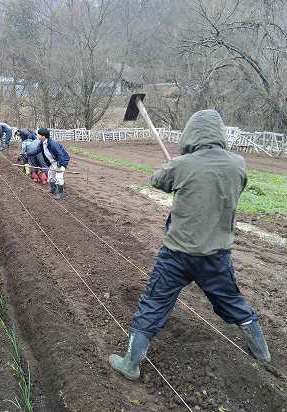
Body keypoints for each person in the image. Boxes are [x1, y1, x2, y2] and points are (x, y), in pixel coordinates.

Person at [109, 109, 271, 382]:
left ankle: (130, 364)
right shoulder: (238, 164)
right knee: (232, 302)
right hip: (216, 256)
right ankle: (262, 352)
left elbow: (157, 181)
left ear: (191, 133)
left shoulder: (182, 165)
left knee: (154, 304)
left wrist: (177, 166)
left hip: (177, 255)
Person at [36, 127, 70, 200]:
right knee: (51, 174)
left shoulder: (52, 143)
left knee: (59, 176)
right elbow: (36, 151)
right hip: (53, 161)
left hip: (61, 161)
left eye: (39, 134)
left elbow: (60, 154)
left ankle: (61, 193)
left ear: (43, 136)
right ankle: (53, 189)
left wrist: (59, 165)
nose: (38, 136)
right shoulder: (42, 143)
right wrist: (27, 154)